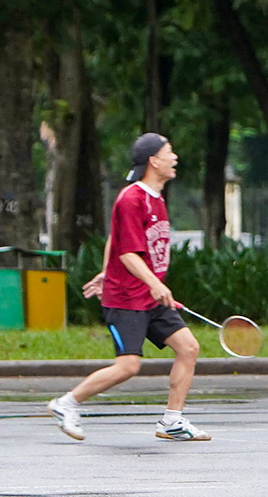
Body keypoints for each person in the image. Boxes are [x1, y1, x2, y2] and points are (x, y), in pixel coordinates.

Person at [47, 134, 210, 443]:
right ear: (154, 160)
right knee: (128, 366)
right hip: (126, 300)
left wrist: (106, 272)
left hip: (149, 296)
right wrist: (154, 283)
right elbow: (127, 252)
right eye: (169, 152)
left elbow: (116, 237)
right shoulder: (131, 197)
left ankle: (172, 421)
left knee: (188, 348)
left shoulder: (155, 197)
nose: (175, 157)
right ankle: (65, 404)